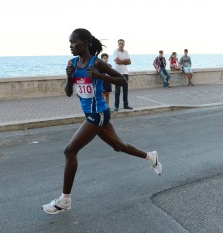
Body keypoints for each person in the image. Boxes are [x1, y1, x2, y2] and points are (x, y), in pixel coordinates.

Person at [42, 28, 162, 215]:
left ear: (86, 43)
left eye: (75, 42)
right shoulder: (72, 63)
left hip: (99, 113)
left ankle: (65, 200)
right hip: (90, 113)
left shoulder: (96, 62)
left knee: (70, 150)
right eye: (70, 43)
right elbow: (68, 93)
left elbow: (122, 80)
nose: (71, 46)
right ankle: (150, 156)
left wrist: (99, 76)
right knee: (118, 145)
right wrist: (68, 77)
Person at [112, 39, 133, 111]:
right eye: (120, 43)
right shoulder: (115, 51)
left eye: (122, 43)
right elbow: (117, 62)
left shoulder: (126, 52)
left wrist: (121, 61)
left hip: (125, 73)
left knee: (125, 90)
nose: (121, 44)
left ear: (124, 44)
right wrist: (124, 61)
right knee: (117, 91)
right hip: (118, 73)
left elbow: (129, 62)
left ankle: (126, 105)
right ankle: (116, 106)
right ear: (118, 44)